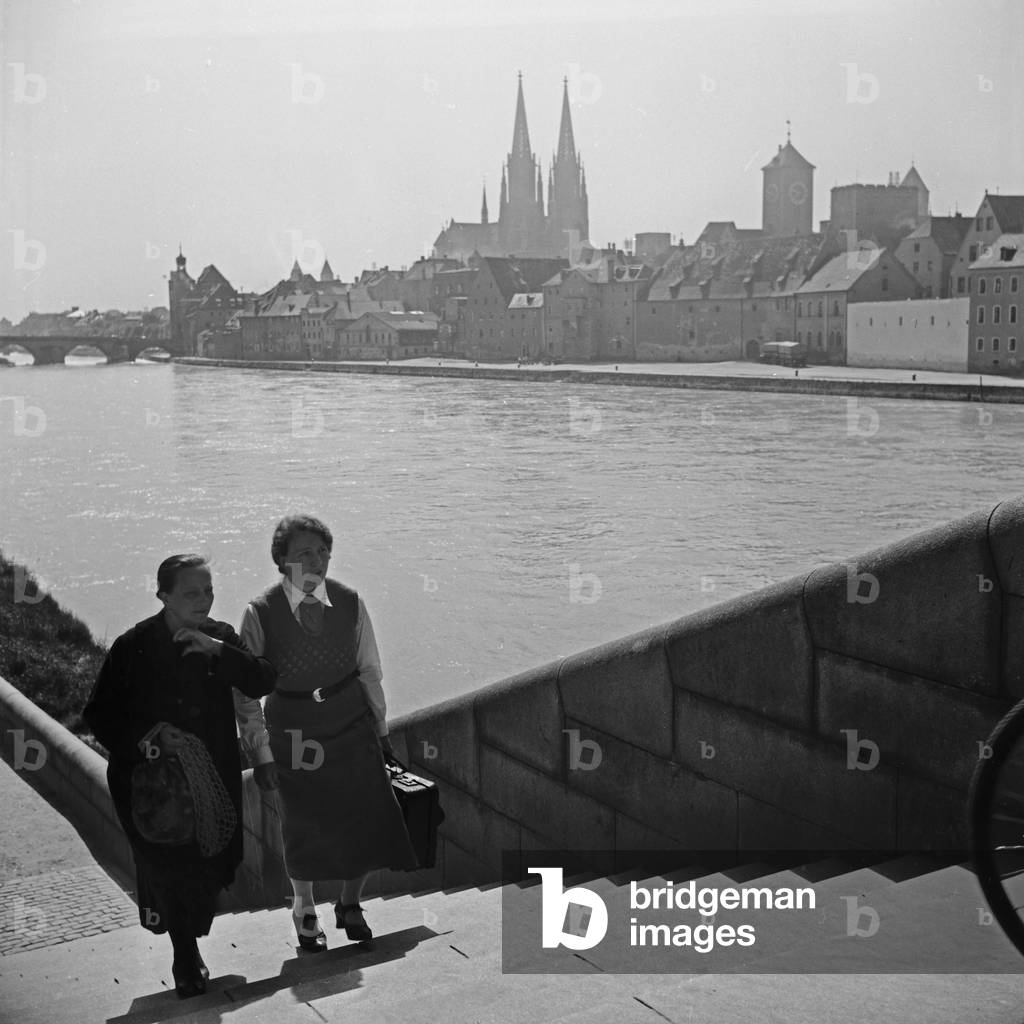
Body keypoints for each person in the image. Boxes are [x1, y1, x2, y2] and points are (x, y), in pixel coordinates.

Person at [83, 555, 276, 998]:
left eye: (208, 590)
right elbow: (99, 714)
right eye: (192, 592)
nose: (204, 600)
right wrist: (150, 740)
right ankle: (185, 958)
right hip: (149, 786)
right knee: (168, 867)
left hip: (211, 780)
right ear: (163, 595)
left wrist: (219, 653)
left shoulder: (221, 636)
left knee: (209, 867)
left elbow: (264, 679)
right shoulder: (133, 646)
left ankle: (190, 942)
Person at [234, 514, 417, 952]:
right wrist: (260, 755)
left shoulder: (351, 602)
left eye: (323, 552)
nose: (317, 561)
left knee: (367, 818)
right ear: (281, 560)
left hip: (350, 723)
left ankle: (350, 904)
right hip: (294, 734)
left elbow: (369, 669)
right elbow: (244, 696)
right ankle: (304, 906)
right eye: (304, 553)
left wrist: (381, 729)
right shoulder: (259, 613)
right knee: (304, 825)